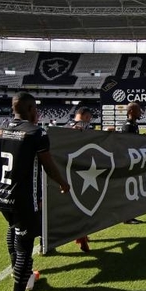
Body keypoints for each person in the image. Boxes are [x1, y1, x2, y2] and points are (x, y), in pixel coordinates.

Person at [0, 92, 70, 291]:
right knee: (25, 248)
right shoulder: (36, 133)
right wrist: (63, 183)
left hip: (1, 194)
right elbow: (48, 166)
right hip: (23, 198)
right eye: (35, 108)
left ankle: (19, 272)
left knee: (14, 229)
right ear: (30, 109)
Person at [64, 106, 94, 252]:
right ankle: (81, 239)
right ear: (85, 116)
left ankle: (82, 236)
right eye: (89, 117)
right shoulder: (81, 128)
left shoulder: (65, 127)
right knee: (82, 206)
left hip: (67, 172)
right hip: (81, 173)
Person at [119, 102, 144, 224]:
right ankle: (126, 217)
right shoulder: (128, 125)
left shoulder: (134, 124)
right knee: (128, 191)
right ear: (131, 112)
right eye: (138, 110)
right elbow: (128, 144)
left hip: (133, 161)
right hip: (128, 162)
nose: (140, 112)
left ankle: (130, 215)